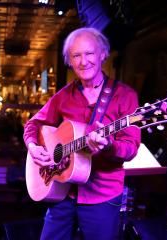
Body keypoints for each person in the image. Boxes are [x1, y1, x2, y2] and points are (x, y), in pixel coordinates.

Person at [23, 27, 141, 240]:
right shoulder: (63, 96)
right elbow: (33, 124)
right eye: (76, 55)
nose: (83, 61)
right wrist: (33, 146)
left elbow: (131, 147)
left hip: (102, 196)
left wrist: (109, 146)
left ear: (103, 54)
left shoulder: (125, 96)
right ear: (69, 60)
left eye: (89, 53)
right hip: (62, 190)